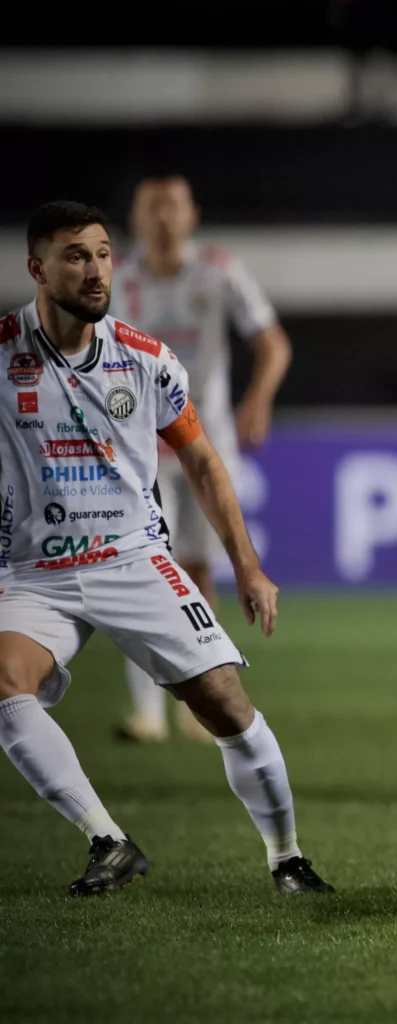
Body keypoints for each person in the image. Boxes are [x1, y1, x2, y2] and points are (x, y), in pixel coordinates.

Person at [0, 202, 329, 895]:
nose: (96, 270)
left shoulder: (145, 360)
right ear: (37, 268)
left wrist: (247, 565)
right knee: (4, 684)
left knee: (226, 706)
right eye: (75, 256)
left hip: (132, 559)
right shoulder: (3, 355)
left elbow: (205, 463)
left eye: (102, 254)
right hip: (35, 573)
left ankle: (288, 860)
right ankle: (108, 841)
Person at [111, 174, 294, 743]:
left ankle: (198, 701)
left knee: (194, 569)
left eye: (173, 206)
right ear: (137, 218)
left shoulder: (218, 271)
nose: (163, 218)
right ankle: (147, 711)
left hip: (203, 443)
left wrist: (257, 400)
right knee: (144, 566)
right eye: (152, 207)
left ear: (191, 215)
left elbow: (273, 343)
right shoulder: (116, 279)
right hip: (138, 447)